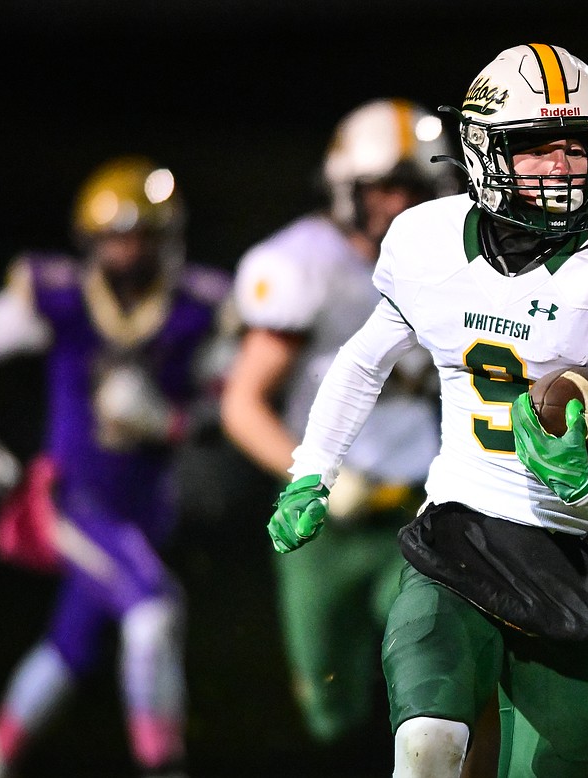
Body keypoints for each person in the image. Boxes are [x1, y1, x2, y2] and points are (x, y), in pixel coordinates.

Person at [265, 43, 588, 777]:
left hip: (578, 559)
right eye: (537, 147)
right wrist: (313, 471)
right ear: (481, 150)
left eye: (580, 144)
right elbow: (361, 361)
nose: (563, 165)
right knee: (426, 748)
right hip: (457, 537)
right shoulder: (427, 240)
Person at [0, 156, 231, 778]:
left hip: (145, 506)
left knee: (72, 641)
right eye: (114, 237)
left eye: (141, 236)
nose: (127, 252)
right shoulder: (59, 295)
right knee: (153, 610)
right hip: (72, 499)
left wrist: (166, 420)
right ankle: (163, 765)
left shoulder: (198, 306)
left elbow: (226, 408)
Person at [221, 99, 454, 751]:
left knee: (428, 672)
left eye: (413, 187)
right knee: (331, 710)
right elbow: (243, 404)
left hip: (417, 512)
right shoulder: (305, 266)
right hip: (321, 519)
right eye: (384, 186)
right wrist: (316, 475)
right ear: (345, 187)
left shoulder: (452, 261)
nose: (399, 204)